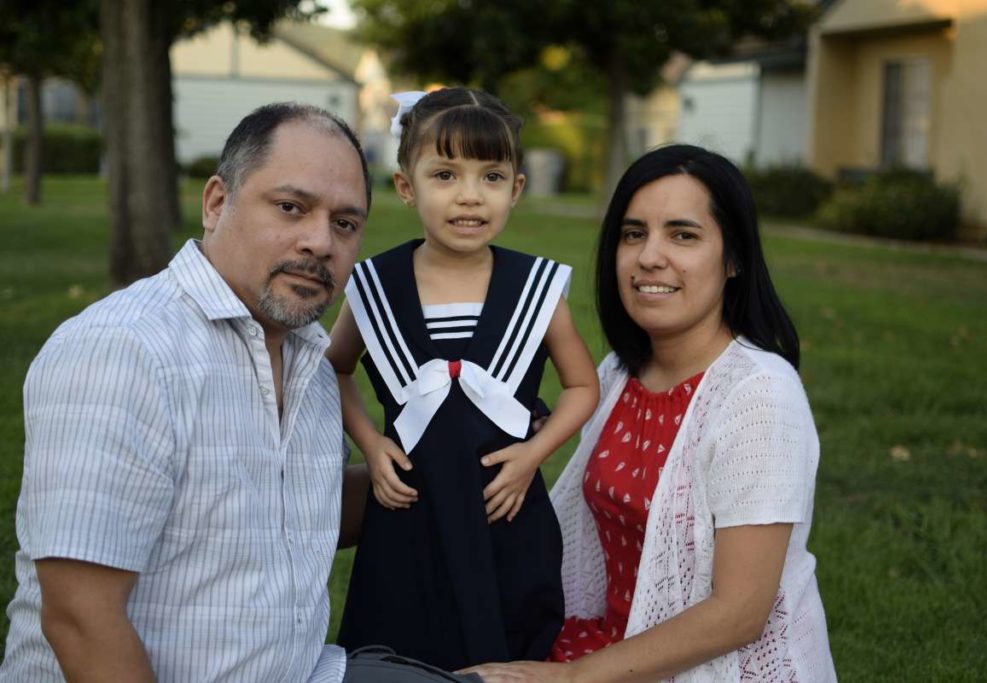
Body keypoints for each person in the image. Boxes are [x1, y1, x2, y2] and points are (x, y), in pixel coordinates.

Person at [0, 102, 483, 683]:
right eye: (290, 207)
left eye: (345, 224)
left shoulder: (307, 351)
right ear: (216, 203)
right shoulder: (124, 351)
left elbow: (290, 509)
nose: (319, 242)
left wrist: (456, 462)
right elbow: (80, 618)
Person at [463, 145, 837, 682]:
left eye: (683, 235)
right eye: (633, 234)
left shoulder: (759, 396)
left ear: (734, 259)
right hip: (608, 646)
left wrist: (569, 679)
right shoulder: (619, 373)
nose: (649, 257)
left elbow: (740, 613)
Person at [328, 87, 599, 671]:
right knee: (400, 654)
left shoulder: (538, 291)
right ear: (407, 186)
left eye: (492, 177)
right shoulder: (375, 288)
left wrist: (532, 455)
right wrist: (370, 445)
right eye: (445, 175)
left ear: (516, 189)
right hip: (407, 518)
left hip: (503, 514)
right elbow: (335, 369)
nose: (470, 197)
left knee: (502, 651)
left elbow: (582, 388)